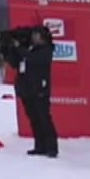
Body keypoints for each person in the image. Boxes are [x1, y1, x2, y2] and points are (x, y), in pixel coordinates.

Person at [16, 25, 58, 157]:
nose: (34, 37)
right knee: (34, 119)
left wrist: (21, 49)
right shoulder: (31, 48)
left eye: (36, 35)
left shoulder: (46, 50)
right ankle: (40, 146)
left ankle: (51, 147)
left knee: (44, 118)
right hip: (27, 88)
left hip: (40, 89)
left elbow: (34, 59)